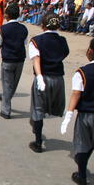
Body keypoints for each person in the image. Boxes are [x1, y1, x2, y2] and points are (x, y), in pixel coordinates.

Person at [60, 37, 94, 185]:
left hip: (87, 116)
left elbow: (76, 94)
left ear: (90, 52)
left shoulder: (83, 72)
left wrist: (68, 115)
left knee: (82, 145)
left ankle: (82, 175)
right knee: (93, 143)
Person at [28, 13, 69, 153]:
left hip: (44, 77)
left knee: (38, 108)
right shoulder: (63, 40)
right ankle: (37, 126)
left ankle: (38, 141)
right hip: (58, 78)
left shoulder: (36, 40)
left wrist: (39, 76)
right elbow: (64, 53)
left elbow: (36, 59)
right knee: (50, 106)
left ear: (43, 25)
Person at [0, 4, 28, 119]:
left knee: (7, 84)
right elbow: (24, 43)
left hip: (8, 59)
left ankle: (6, 110)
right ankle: (6, 97)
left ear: (6, 15)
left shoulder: (3, 28)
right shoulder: (23, 28)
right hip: (20, 59)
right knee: (13, 84)